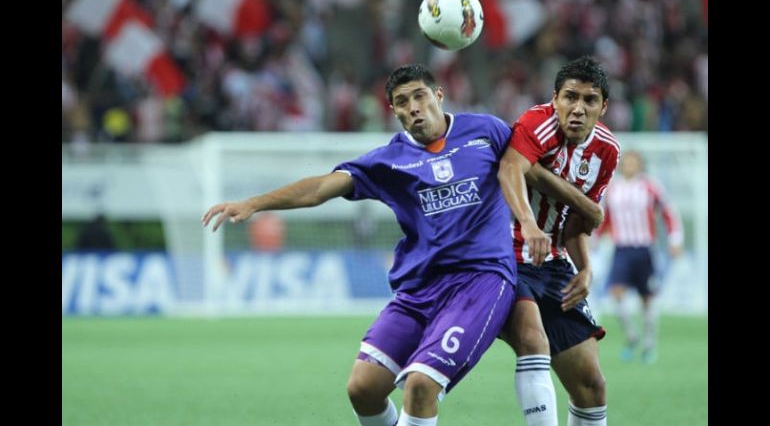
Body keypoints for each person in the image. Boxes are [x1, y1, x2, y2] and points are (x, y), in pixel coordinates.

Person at [202, 63, 601, 426]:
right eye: (401, 103)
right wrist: (255, 203)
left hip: (480, 282)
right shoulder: (389, 160)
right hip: (418, 291)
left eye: (419, 96)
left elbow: (528, 171)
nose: (413, 108)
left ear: (439, 96)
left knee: (420, 385)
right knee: (363, 389)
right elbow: (322, 187)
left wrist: (584, 210)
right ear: (393, 111)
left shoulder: (488, 131)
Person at [497, 56, 620, 426]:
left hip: (551, 262)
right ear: (555, 99)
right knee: (534, 340)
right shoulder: (536, 123)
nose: (578, 109)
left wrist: (585, 268)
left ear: (603, 107)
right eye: (570, 97)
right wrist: (528, 223)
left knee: (590, 385)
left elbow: (575, 226)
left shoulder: (606, 151)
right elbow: (511, 168)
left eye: (589, 100)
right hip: (503, 255)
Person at [596, 150, 683, 364]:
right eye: (626, 162)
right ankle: (632, 336)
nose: (629, 165)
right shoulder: (613, 188)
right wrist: (594, 239)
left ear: (640, 165)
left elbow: (668, 211)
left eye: (634, 162)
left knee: (648, 298)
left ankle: (649, 344)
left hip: (645, 249)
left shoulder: (650, 186)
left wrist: (674, 239)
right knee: (616, 294)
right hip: (621, 249)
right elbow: (603, 217)